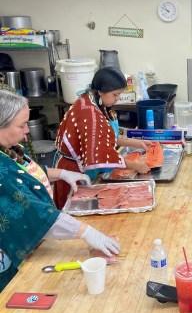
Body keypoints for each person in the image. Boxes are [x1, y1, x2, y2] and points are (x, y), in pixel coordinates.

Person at [0, 90, 121, 291]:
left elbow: (24, 175)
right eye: (21, 126)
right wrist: (86, 232)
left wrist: (62, 174)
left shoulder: (7, 148)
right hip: (12, 255)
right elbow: (33, 213)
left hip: (36, 243)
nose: (27, 131)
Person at [54, 67, 152, 209]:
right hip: (73, 173)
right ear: (101, 91)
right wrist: (136, 166)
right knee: (76, 218)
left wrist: (137, 142)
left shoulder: (93, 100)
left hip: (84, 169)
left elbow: (108, 137)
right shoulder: (89, 114)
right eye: (115, 94)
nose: (117, 99)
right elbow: (104, 156)